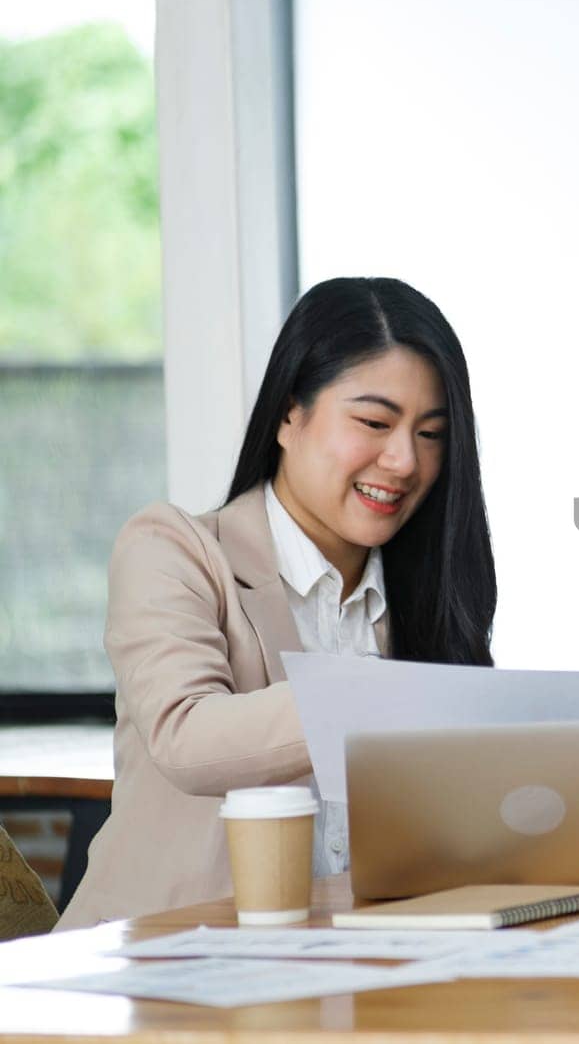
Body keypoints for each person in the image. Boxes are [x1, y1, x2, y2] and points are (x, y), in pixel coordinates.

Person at [57, 277, 495, 928]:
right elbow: (189, 736)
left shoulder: (424, 600)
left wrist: (564, 737)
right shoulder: (174, 549)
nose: (403, 459)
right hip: (164, 975)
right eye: (374, 422)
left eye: (431, 434)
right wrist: (381, 693)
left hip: (354, 972)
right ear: (290, 414)